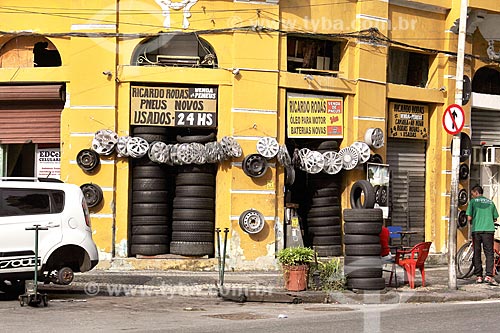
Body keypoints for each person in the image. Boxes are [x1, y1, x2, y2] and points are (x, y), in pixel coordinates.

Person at [466, 185, 499, 286]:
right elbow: (495, 218)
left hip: (477, 230)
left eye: (472, 194)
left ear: (476, 193)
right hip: (489, 230)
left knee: (477, 252)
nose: (472, 196)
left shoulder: (473, 202)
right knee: (489, 253)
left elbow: (469, 218)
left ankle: (479, 276)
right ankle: (489, 276)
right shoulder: (490, 202)